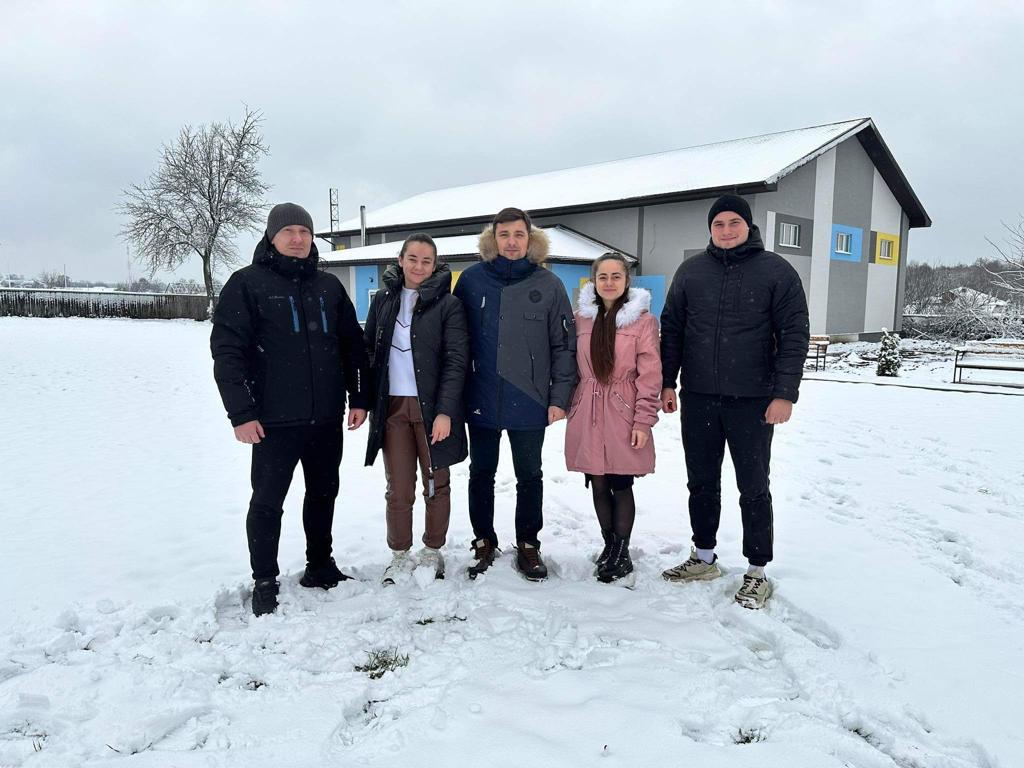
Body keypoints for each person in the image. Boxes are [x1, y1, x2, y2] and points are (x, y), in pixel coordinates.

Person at [211, 202, 370, 617]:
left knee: (323, 493)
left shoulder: (329, 287)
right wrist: (241, 413)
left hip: (325, 418)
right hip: (272, 422)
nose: (298, 239)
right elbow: (228, 353)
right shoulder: (246, 284)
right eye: (289, 232)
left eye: (304, 232)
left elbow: (352, 345)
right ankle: (265, 579)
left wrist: (359, 397)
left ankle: (319, 566)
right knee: (267, 501)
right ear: (272, 237)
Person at [659, 194, 809, 609]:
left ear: (748, 225)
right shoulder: (691, 272)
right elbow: (671, 330)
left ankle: (757, 570)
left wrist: (784, 394)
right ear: (710, 229)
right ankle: (703, 556)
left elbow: (795, 335)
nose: (725, 231)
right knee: (701, 482)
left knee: (753, 486)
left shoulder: (776, 272)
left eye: (733, 223)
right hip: (700, 397)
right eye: (718, 224)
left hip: (754, 400)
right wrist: (667, 383)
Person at [452, 207, 578, 581]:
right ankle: (483, 540)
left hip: (530, 399)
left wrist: (559, 397)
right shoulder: (472, 281)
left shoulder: (549, 284)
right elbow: (455, 340)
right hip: (481, 396)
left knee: (530, 475)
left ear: (530, 239)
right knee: (481, 473)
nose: (511, 242)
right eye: (503, 234)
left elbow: (563, 345)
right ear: (493, 238)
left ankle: (528, 544)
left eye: (518, 235)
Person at [363, 234, 469, 584]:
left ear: (435, 264)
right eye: (413, 258)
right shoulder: (383, 300)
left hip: (431, 408)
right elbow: (369, 355)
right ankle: (399, 553)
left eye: (426, 260)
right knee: (399, 486)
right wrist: (362, 402)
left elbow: (456, 361)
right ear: (401, 259)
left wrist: (445, 412)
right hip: (392, 407)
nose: (419, 266)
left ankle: (432, 550)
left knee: (436, 482)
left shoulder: (448, 305)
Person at [564, 253, 662, 585]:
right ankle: (609, 545)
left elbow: (650, 375)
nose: (609, 282)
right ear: (593, 281)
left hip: (623, 409)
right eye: (602, 276)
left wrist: (642, 421)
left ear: (626, 280)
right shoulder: (581, 319)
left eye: (616, 276)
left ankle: (622, 550)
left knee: (620, 482)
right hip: (587, 409)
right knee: (598, 480)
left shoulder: (643, 322)